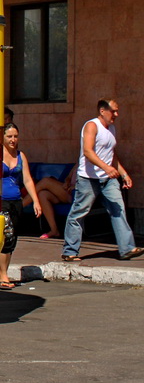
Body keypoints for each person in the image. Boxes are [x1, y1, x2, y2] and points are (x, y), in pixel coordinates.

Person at [62, 99, 144, 262]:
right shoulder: (91, 126)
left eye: (117, 111)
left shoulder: (111, 128)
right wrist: (106, 168)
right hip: (88, 179)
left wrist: (124, 174)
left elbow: (111, 154)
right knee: (79, 213)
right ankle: (70, 251)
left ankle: (127, 248)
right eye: (113, 111)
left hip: (108, 180)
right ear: (102, 110)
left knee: (118, 209)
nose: (116, 114)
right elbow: (88, 151)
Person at [0, 123, 42, 289]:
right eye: (9, 136)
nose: (13, 140)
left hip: (16, 201)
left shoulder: (20, 156)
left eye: (15, 136)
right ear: (3, 137)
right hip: (1, 201)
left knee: (12, 238)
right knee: (7, 235)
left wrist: (36, 200)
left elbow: (27, 179)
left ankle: (3, 271)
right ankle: (3, 276)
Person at [23, 169, 73, 239]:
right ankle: (54, 230)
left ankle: (21, 205)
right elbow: (69, 177)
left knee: (45, 181)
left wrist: (74, 186)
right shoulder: (79, 163)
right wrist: (67, 182)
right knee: (42, 195)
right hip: (67, 190)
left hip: (76, 193)